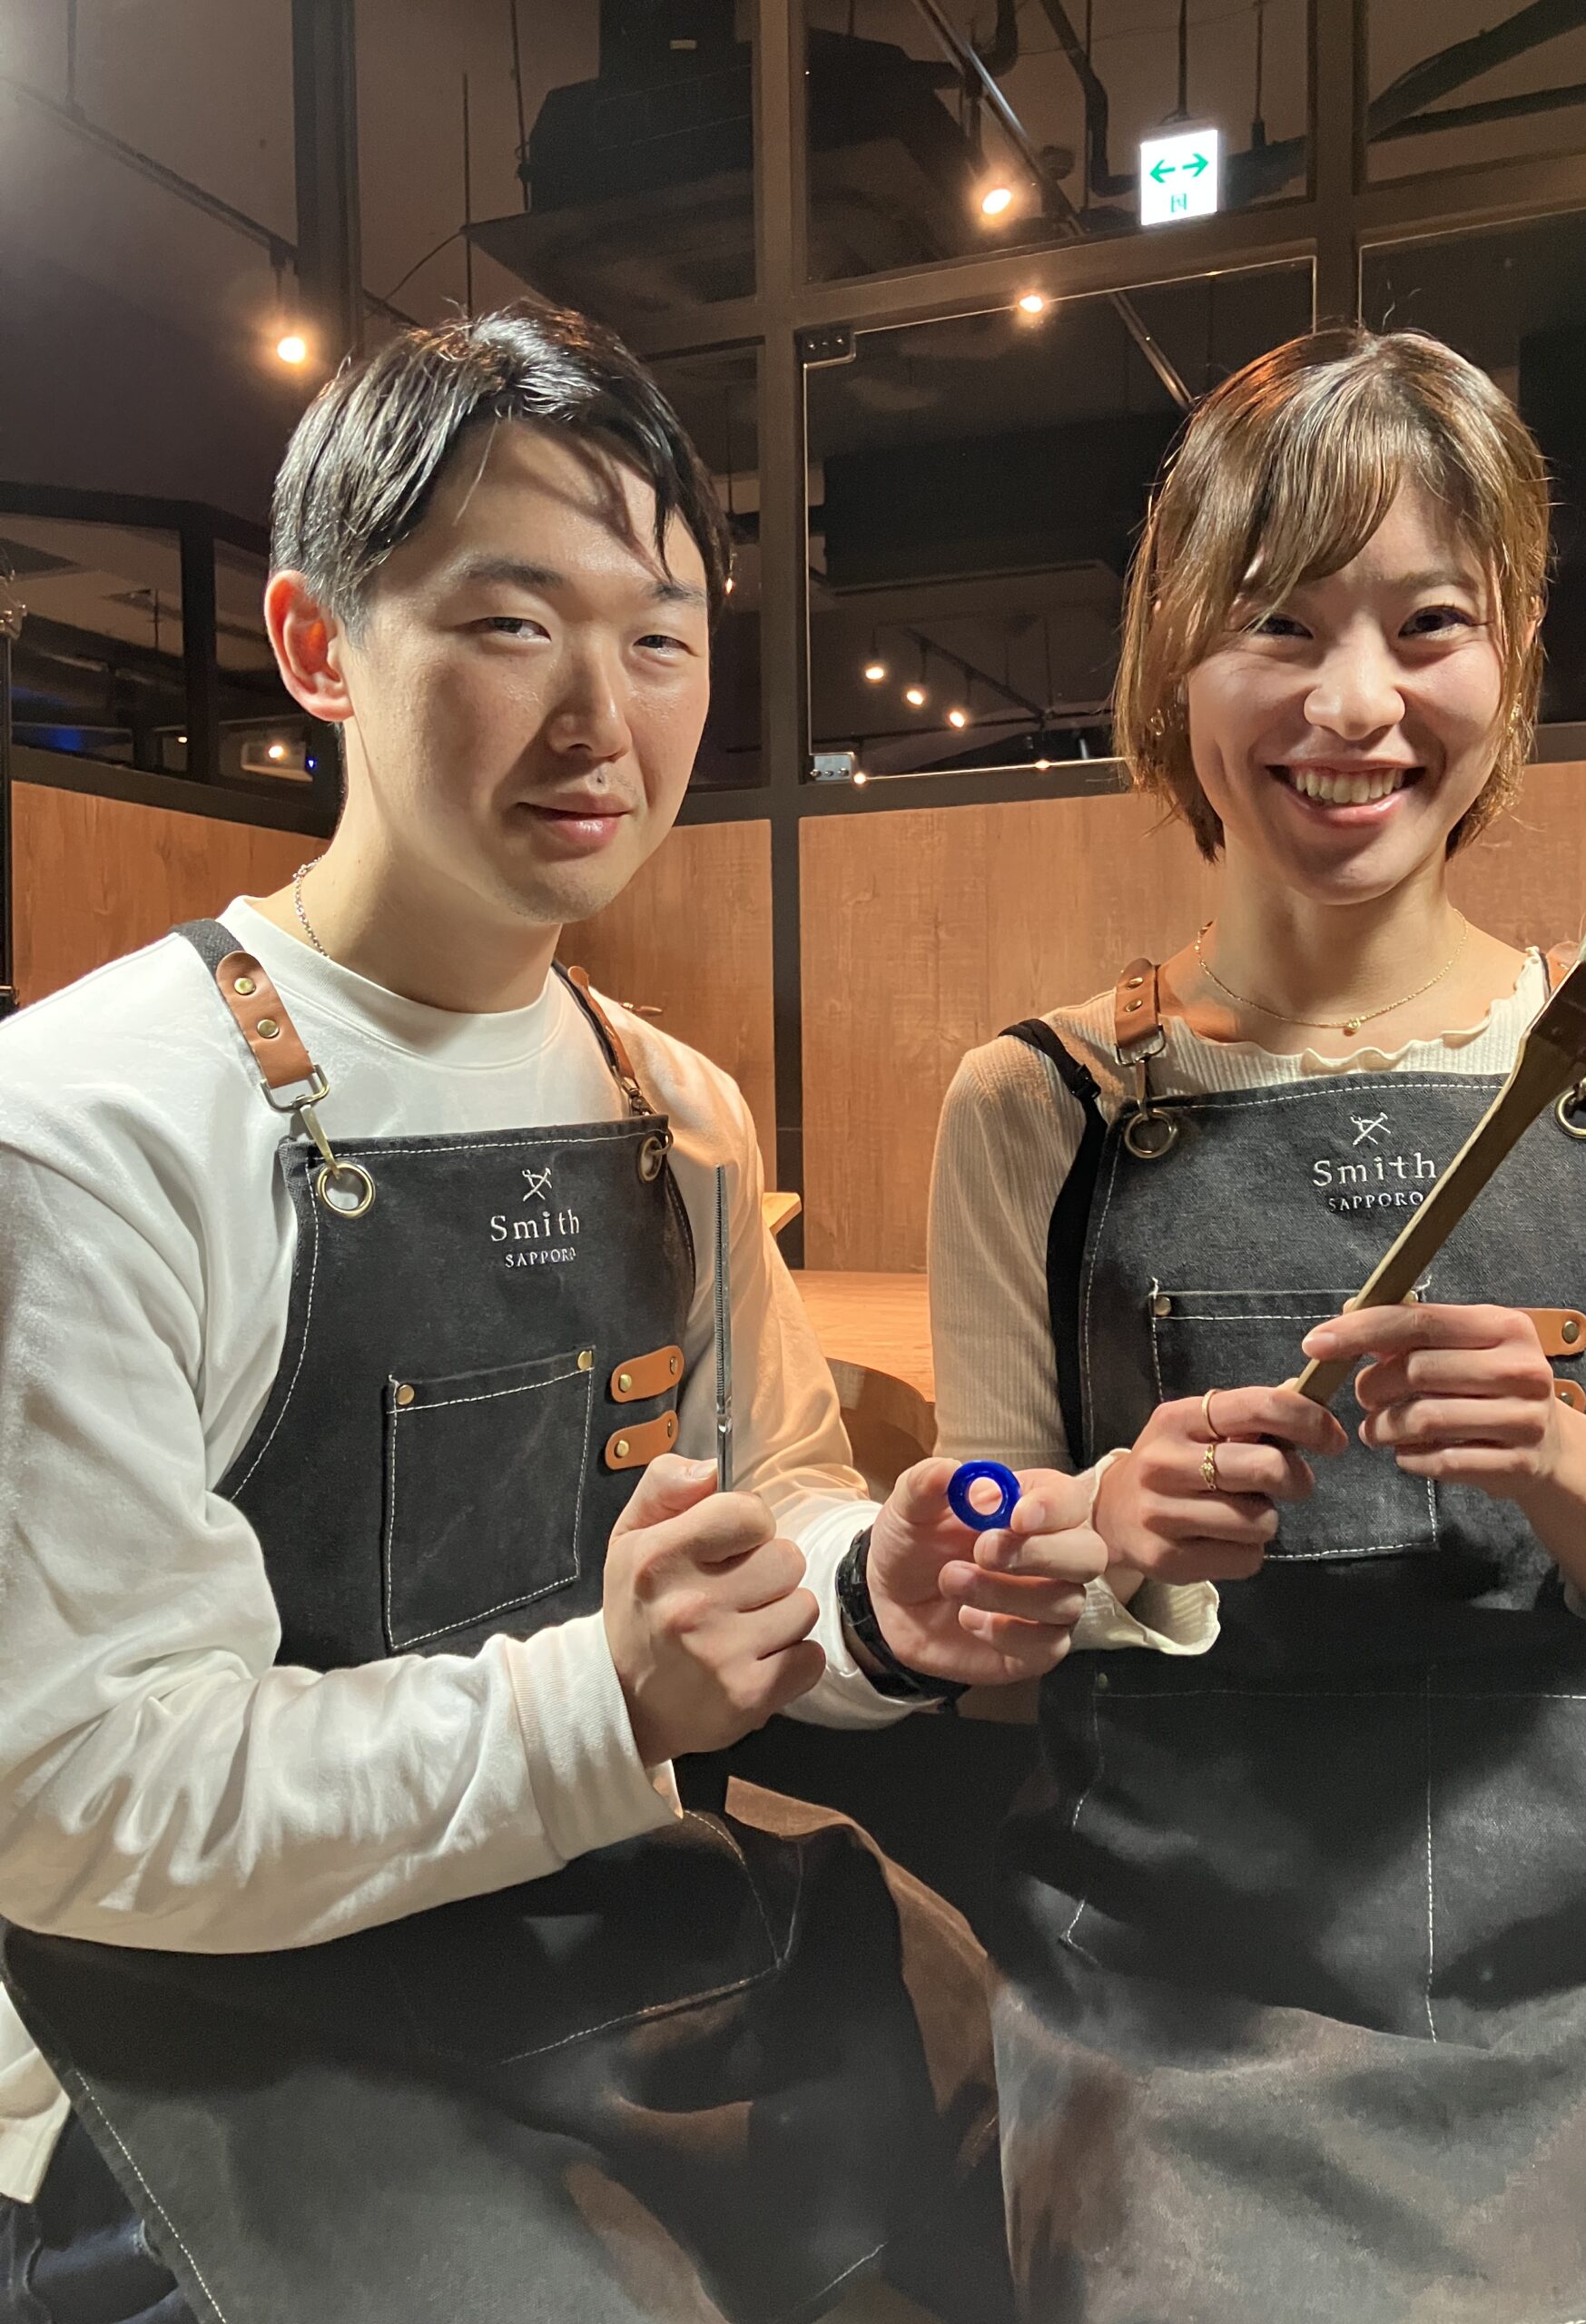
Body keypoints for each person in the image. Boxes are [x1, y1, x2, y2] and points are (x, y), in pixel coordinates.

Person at [0, 307, 1108, 2324]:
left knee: (1077, 2169)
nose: (604, 716)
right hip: (222, 2048)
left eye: (661, 638)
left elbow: (771, 1504)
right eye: (511, 625)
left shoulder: (672, 1107)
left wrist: (873, 1596)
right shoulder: (84, 1128)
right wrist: (603, 1703)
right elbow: (75, 1790)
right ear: (320, 645)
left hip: (623, 1949)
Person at [927, 325, 1586, 2321]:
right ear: (1173, 667)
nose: (1354, 703)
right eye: (1277, 625)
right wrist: (1099, 1528)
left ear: (1512, 658)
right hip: (1176, 1987)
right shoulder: (1037, 1102)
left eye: (1427, 623)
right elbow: (968, 1559)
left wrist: (1567, 1460)